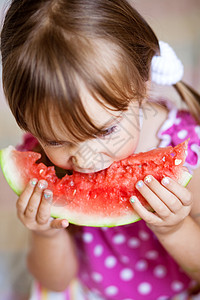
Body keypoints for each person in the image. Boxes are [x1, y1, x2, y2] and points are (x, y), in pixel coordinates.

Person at [1, 0, 200, 299]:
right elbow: (56, 280)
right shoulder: (40, 159)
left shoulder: (184, 149)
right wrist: (45, 234)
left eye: (106, 130)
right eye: (56, 140)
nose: (84, 158)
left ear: (142, 83)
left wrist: (173, 228)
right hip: (89, 289)